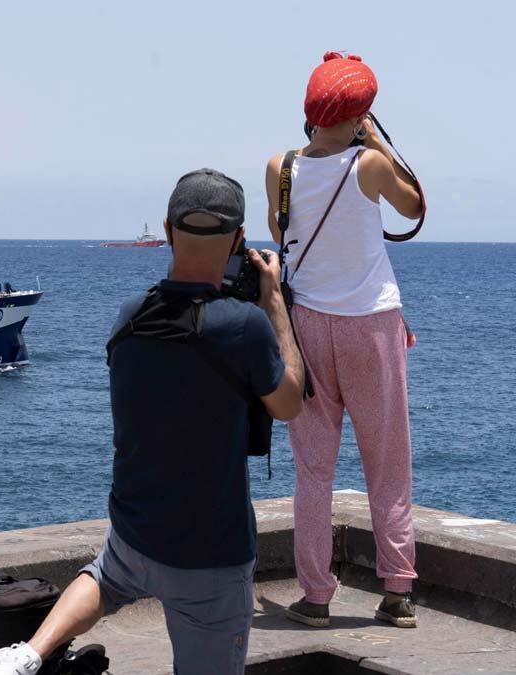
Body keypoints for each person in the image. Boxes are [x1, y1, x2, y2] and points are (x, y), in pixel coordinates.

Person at [0, 169, 305, 675]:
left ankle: (28, 653)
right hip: (210, 556)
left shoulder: (131, 315)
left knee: (105, 577)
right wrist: (273, 304)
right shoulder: (245, 326)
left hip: (136, 535)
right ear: (238, 239)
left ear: (165, 230)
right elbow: (289, 404)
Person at [264, 52, 424, 630]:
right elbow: (414, 205)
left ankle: (315, 596)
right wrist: (375, 138)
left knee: (313, 468)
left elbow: (283, 234)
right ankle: (398, 590)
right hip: (372, 324)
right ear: (360, 113)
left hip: (307, 325)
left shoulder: (279, 167)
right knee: (388, 464)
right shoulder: (369, 166)